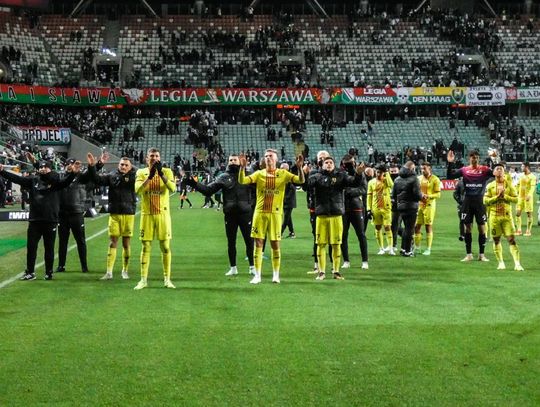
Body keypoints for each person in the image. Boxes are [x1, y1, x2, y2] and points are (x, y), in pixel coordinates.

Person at [0, 159, 79, 280]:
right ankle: (30, 272)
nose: (42, 169)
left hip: (50, 220)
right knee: (31, 248)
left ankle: (49, 272)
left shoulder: (56, 181)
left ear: (50, 169)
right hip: (34, 220)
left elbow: (65, 182)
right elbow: (17, 179)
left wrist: (73, 173)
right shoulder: (33, 180)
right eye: (41, 167)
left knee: (49, 248)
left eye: (45, 167)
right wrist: (2, 171)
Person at [238, 149, 305, 284]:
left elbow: (300, 180)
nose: (268, 158)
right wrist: (242, 167)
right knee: (258, 243)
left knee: (275, 243)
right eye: (266, 156)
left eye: (270, 156)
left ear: (276, 159)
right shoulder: (259, 174)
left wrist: (299, 168)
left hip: (275, 214)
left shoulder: (283, 174)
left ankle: (276, 275)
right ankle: (257, 275)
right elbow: (242, 181)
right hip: (260, 213)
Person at [187, 154, 255, 276]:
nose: (232, 161)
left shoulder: (249, 175)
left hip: (245, 213)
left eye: (234, 160)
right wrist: (195, 184)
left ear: (240, 161)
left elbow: (259, 190)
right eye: (230, 160)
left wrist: (252, 205)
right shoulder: (223, 176)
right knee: (231, 242)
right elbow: (209, 190)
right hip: (230, 214)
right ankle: (233, 268)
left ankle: (252, 267)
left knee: (249, 241)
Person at [309, 156, 365, 280]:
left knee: (336, 244)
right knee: (321, 244)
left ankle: (336, 271)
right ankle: (321, 272)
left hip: (336, 215)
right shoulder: (316, 177)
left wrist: (358, 174)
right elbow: (306, 185)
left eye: (331, 162)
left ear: (334, 165)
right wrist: (302, 172)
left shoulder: (341, 176)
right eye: (326, 162)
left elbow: (354, 182)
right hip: (322, 215)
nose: (329, 164)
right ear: (322, 165)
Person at [133, 148, 176, 290]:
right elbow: (138, 190)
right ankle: (143, 280)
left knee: (165, 246)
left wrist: (161, 174)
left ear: (160, 158)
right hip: (147, 214)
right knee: (145, 246)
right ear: (147, 158)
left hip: (163, 214)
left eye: (156, 156)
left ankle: (167, 279)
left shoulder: (167, 171)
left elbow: (173, 188)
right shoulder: (141, 172)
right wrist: (150, 177)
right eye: (151, 156)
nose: (154, 158)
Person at [89, 156, 137, 280]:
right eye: (122, 164)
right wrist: (94, 166)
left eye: (126, 165)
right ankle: (109, 272)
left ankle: (125, 270)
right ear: (118, 165)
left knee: (126, 243)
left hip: (128, 213)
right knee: (112, 242)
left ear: (130, 166)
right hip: (114, 213)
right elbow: (97, 179)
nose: (123, 166)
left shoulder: (134, 176)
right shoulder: (112, 175)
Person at [447, 150, 493, 262]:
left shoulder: (484, 169)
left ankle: (482, 255)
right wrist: (450, 163)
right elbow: (450, 176)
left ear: (479, 158)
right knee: (468, 228)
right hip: (467, 202)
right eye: (472, 157)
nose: (474, 159)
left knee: (482, 228)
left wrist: (494, 159)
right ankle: (469, 254)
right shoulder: (464, 170)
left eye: (476, 157)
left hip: (480, 201)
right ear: (469, 158)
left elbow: (496, 173)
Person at [56, 158, 95, 274]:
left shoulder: (81, 177)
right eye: (68, 164)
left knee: (81, 241)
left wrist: (94, 165)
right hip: (62, 214)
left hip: (77, 213)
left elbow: (91, 174)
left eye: (72, 164)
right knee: (62, 241)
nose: (70, 166)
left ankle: (84, 266)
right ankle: (61, 265)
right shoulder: (60, 177)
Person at [483, 163, 524, 271]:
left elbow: (516, 199)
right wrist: (496, 197)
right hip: (494, 217)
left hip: (507, 217)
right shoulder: (490, 186)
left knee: (511, 240)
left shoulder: (509, 185)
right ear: (494, 172)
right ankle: (501, 263)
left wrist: (505, 196)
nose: (500, 170)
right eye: (497, 169)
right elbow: (485, 201)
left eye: (501, 169)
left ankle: (517, 264)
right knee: (496, 240)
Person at [302, 150, 330, 274]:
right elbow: (305, 188)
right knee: (317, 236)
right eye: (320, 158)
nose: (322, 160)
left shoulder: (335, 173)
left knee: (332, 238)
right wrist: (304, 174)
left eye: (324, 158)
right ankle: (316, 265)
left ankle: (333, 266)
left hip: (331, 209)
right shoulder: (313, 173)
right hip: (315, 208)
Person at [340, 154, 369, 270]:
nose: (350, 165)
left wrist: (349, 192)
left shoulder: (360, 173)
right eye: (348, 163)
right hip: (343, 208)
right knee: (343, 235)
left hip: (356, 206)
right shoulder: (340, 174)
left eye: (352, 163)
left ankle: (365, 261)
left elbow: (363, 189)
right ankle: (346, 260)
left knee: (361, 234)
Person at [392, 161, 422, 257]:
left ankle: (403, 248)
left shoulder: (397, 179)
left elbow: (393, 195)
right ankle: (408, 251)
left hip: (400, 207)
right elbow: (417, 195)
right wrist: (422, 196)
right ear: (412, 168)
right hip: (411, 206)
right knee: (409, 229)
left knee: (405, 228)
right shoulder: (414, 179)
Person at [413, 162, 441, 256]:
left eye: (424, 168)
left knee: (428, 226)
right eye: (421, 168)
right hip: (419, 205)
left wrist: (429, 196)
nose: (422, 170)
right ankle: (417, 248)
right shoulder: (419, 178)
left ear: (429, 168)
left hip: (429, 205)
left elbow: (438, 194)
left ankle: (428, 249)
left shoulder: (435, 179)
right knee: (417, 226)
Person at [366, 164, 394, 255]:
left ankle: (390, 248)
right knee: (378, 227)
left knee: (387, 227)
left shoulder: (386, 181)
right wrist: (368, 209)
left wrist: (387, 173)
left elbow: (392, 185)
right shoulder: (371, 182)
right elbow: (369, 196)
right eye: (377, 172)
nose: (378, 174)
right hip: (376, 208)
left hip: (386, 208)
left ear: (383, 173)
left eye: (380, 172)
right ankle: (381, 248)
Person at [515, 162, 536, 236]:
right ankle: (519, 230)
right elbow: (518, 185)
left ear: (527, 167)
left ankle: (528, 231)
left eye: (522, 166)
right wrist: (515, 192)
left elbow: (532, 187)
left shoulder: (532, 177)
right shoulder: (521, 176)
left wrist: (529, 195)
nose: (521, 168)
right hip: (520, 197)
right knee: (517, 213)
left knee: (529, 214)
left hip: (528, 198)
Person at [280, 162, 297, 238]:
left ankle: (280, 232)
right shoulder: (282, 177)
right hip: (285, 201)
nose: (280, 170)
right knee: (288, 218)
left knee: (286, 219)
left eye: (282, 168)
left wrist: (285, 198)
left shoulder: (290, 177)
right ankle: (292, 232)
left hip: (289, 202)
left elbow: (292, 190)